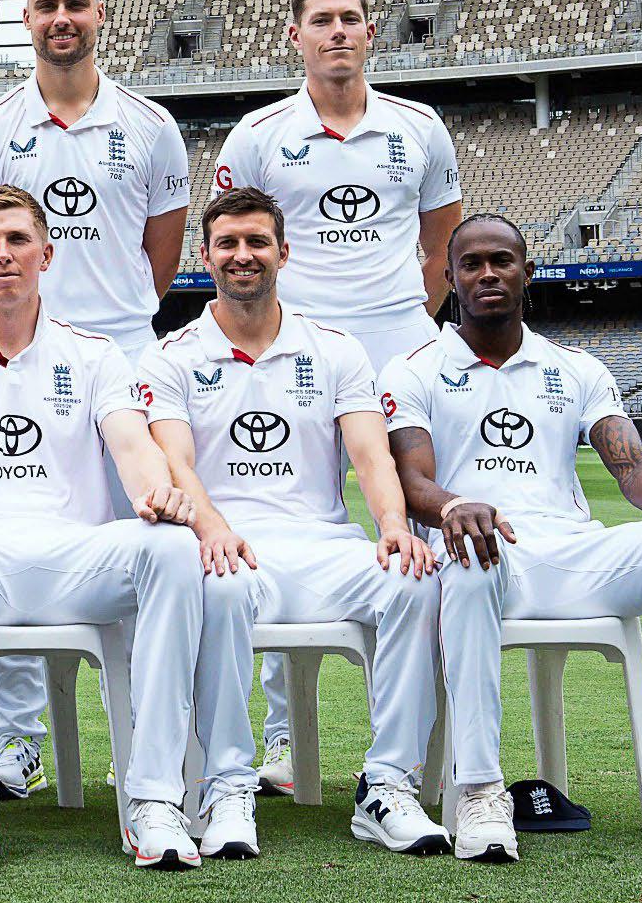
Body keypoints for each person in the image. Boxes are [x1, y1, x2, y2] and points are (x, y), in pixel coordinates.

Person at [382, 214, 642, 866]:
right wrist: (458, 505)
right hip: (488, 558)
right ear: (449, 279)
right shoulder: (414, 370)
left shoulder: (572, 367)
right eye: (471, 264)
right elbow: (409, 480)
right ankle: (480, 789)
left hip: (574, 552)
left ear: (526, 272)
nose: (487, 273)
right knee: (465, 554)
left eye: (501, 260)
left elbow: (631, 468)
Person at [0, 185, 207, 873]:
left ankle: (154, 798)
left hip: (77, 555)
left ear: (46, 254)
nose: (3, 254)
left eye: (16, 241)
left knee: (173, 547)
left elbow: (132, 445)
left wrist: (158, 494)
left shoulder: (94, 355)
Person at [0, 0, 190, 801]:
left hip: (116, 356)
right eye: (46, 4)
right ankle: (15, 742)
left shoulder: (150, 124)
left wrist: (109, 318)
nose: (62, 18)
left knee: (148, 543)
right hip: (10, 356)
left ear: (98, 14)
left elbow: (161, 248)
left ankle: (145, 737)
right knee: (3, 524)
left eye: (75, 4)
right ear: (27, 18)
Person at [144, 188, 445, 862]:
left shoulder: (335, 349)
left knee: (411, 580)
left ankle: (387, 785)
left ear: (283, 251)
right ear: (205, 256)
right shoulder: (172, 355)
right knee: (216, 587)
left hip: (322, 544)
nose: (241, 256)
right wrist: (212, 528)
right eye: (227, 244)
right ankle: (226, 785)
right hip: (231, 547)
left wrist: (393, 526)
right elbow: (175, 463)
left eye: (256, 242)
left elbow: (370, 456)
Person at [215, 0, 461, 795]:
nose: (336, 33)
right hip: (296, 353)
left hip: (400, 340)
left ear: (369, 33)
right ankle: (287, 737)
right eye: (320, 21)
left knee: (419, 532)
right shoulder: (257, 133)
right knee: (293, 527)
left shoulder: (420, 128)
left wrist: (397, 324)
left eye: (350, 19)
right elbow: (239, 241)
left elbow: (439, 248)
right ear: (296, 36)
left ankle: (436, 739)